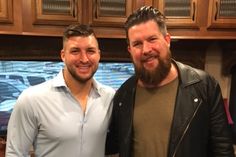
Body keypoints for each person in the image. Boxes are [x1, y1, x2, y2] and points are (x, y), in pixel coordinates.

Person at [105, 6, 235, 157]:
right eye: (137, 44)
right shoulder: (123, 94)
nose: (146, 49)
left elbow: (223, 149)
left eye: (152, 39)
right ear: (130, 50)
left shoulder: (204, 86)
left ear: (167, 40)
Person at [6, 24, 115, 157]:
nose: (84, 59)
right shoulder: (32, 99)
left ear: (98, 55)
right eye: (75, 51)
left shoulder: (110, 98)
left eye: (90, 51)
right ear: (63, 55)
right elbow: (15, 153)